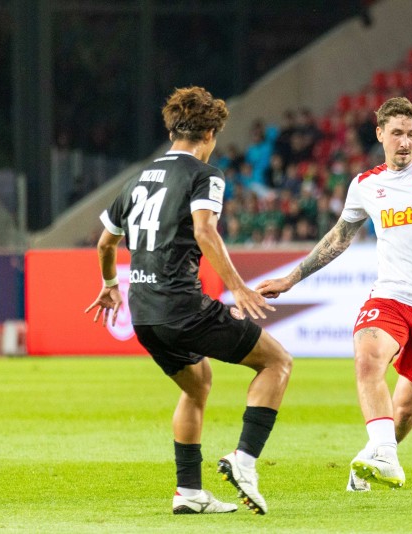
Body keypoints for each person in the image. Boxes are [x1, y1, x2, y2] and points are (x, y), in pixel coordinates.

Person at [257, 97, 412, 492]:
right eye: (398, 134)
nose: (405, 142)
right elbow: (339, 237)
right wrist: (292, 278)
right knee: (368, 356)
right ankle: (384, 453)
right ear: (380, 134)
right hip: (391, 296)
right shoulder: (365, 186)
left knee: (407, 408)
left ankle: (373, 458)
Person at [85, 86, 292, 516]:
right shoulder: (205, 174)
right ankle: (245, 461)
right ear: (211, 132)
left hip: (143, 313)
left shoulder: (138, 178)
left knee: (197, 384)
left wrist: (109, 284)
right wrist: (236, 285)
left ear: (172, 127)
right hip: (182, 306)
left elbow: (105, 243)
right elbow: (204, 230)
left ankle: (189, 492)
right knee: (277, 362)